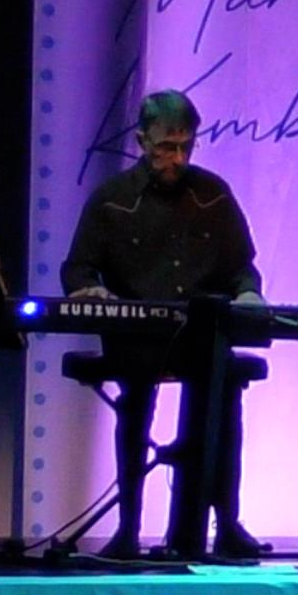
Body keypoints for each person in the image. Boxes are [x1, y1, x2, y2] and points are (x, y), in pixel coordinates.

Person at [60, 90, 270, 559]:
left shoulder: (213, 194)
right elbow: (76, 269)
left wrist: (248, 292)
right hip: (136, 338)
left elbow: (242, 267)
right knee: (136, 394)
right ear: (140, 141)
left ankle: (223, 523)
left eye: (184, 147)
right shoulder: (112, 200)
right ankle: (128, 528)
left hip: (199, 337)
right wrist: (89, 291)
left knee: (221, 389)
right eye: (164, 148)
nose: (176, 158)